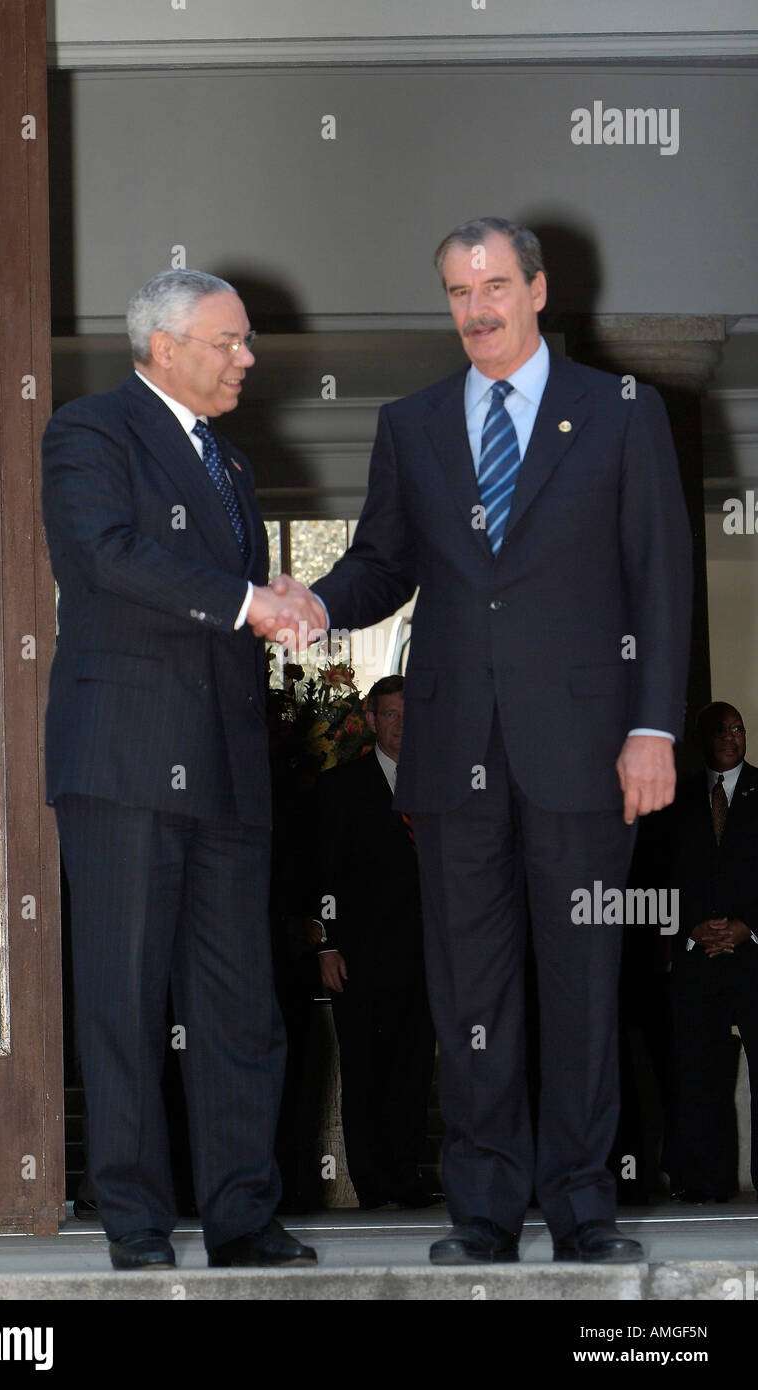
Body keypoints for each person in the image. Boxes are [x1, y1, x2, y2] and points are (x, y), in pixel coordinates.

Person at [267, 217, 693, 1263]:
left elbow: (660, 576)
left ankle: (585, 1206)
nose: (477, 308)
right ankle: (484, 1212)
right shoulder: (411, 423)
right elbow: (381, 562)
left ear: (539, 290)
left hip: (589, 749)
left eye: (495, 284)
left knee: (584, 980)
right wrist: (316, 604)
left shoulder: (621, 412)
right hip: (453, 756)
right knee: (470, 991)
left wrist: (651, 727)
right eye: (458, 291)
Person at [41, 268, 325, 1270]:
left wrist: (272, 598)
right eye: (229, 340)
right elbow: (108, 555)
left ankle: (244, 1217)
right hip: (122, 760)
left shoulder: (233, 467)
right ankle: (136, 1225)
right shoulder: (90, 430)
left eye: (246, 342)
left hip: (228, 773)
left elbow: (222, 596)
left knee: (241, 1003)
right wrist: (248, 600)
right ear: (164, 345)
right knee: (124, 1000)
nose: (247, 357)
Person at [315, 675, 437, 1209]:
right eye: (391, 714)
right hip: (360, 958)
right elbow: (321, 871)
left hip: (427, 957)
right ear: (370, 719)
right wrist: (326, 945)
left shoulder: (442, 785)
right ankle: (372, 1183)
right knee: (366, 1071)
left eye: (410, 714)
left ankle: (405, 1178)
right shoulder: (342, 787)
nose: (403, 725)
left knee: (414, 1070)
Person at [669, 702, 758, 1202]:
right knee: (699, 1074)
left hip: (755, 955)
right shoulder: (675, 799)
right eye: (720, 730)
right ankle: (708, 1181)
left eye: (738, 729)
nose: (730, 736)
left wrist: (750, 926)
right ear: (700, 738)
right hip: (696, 957)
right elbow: (659, 877)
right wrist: (691, 928)